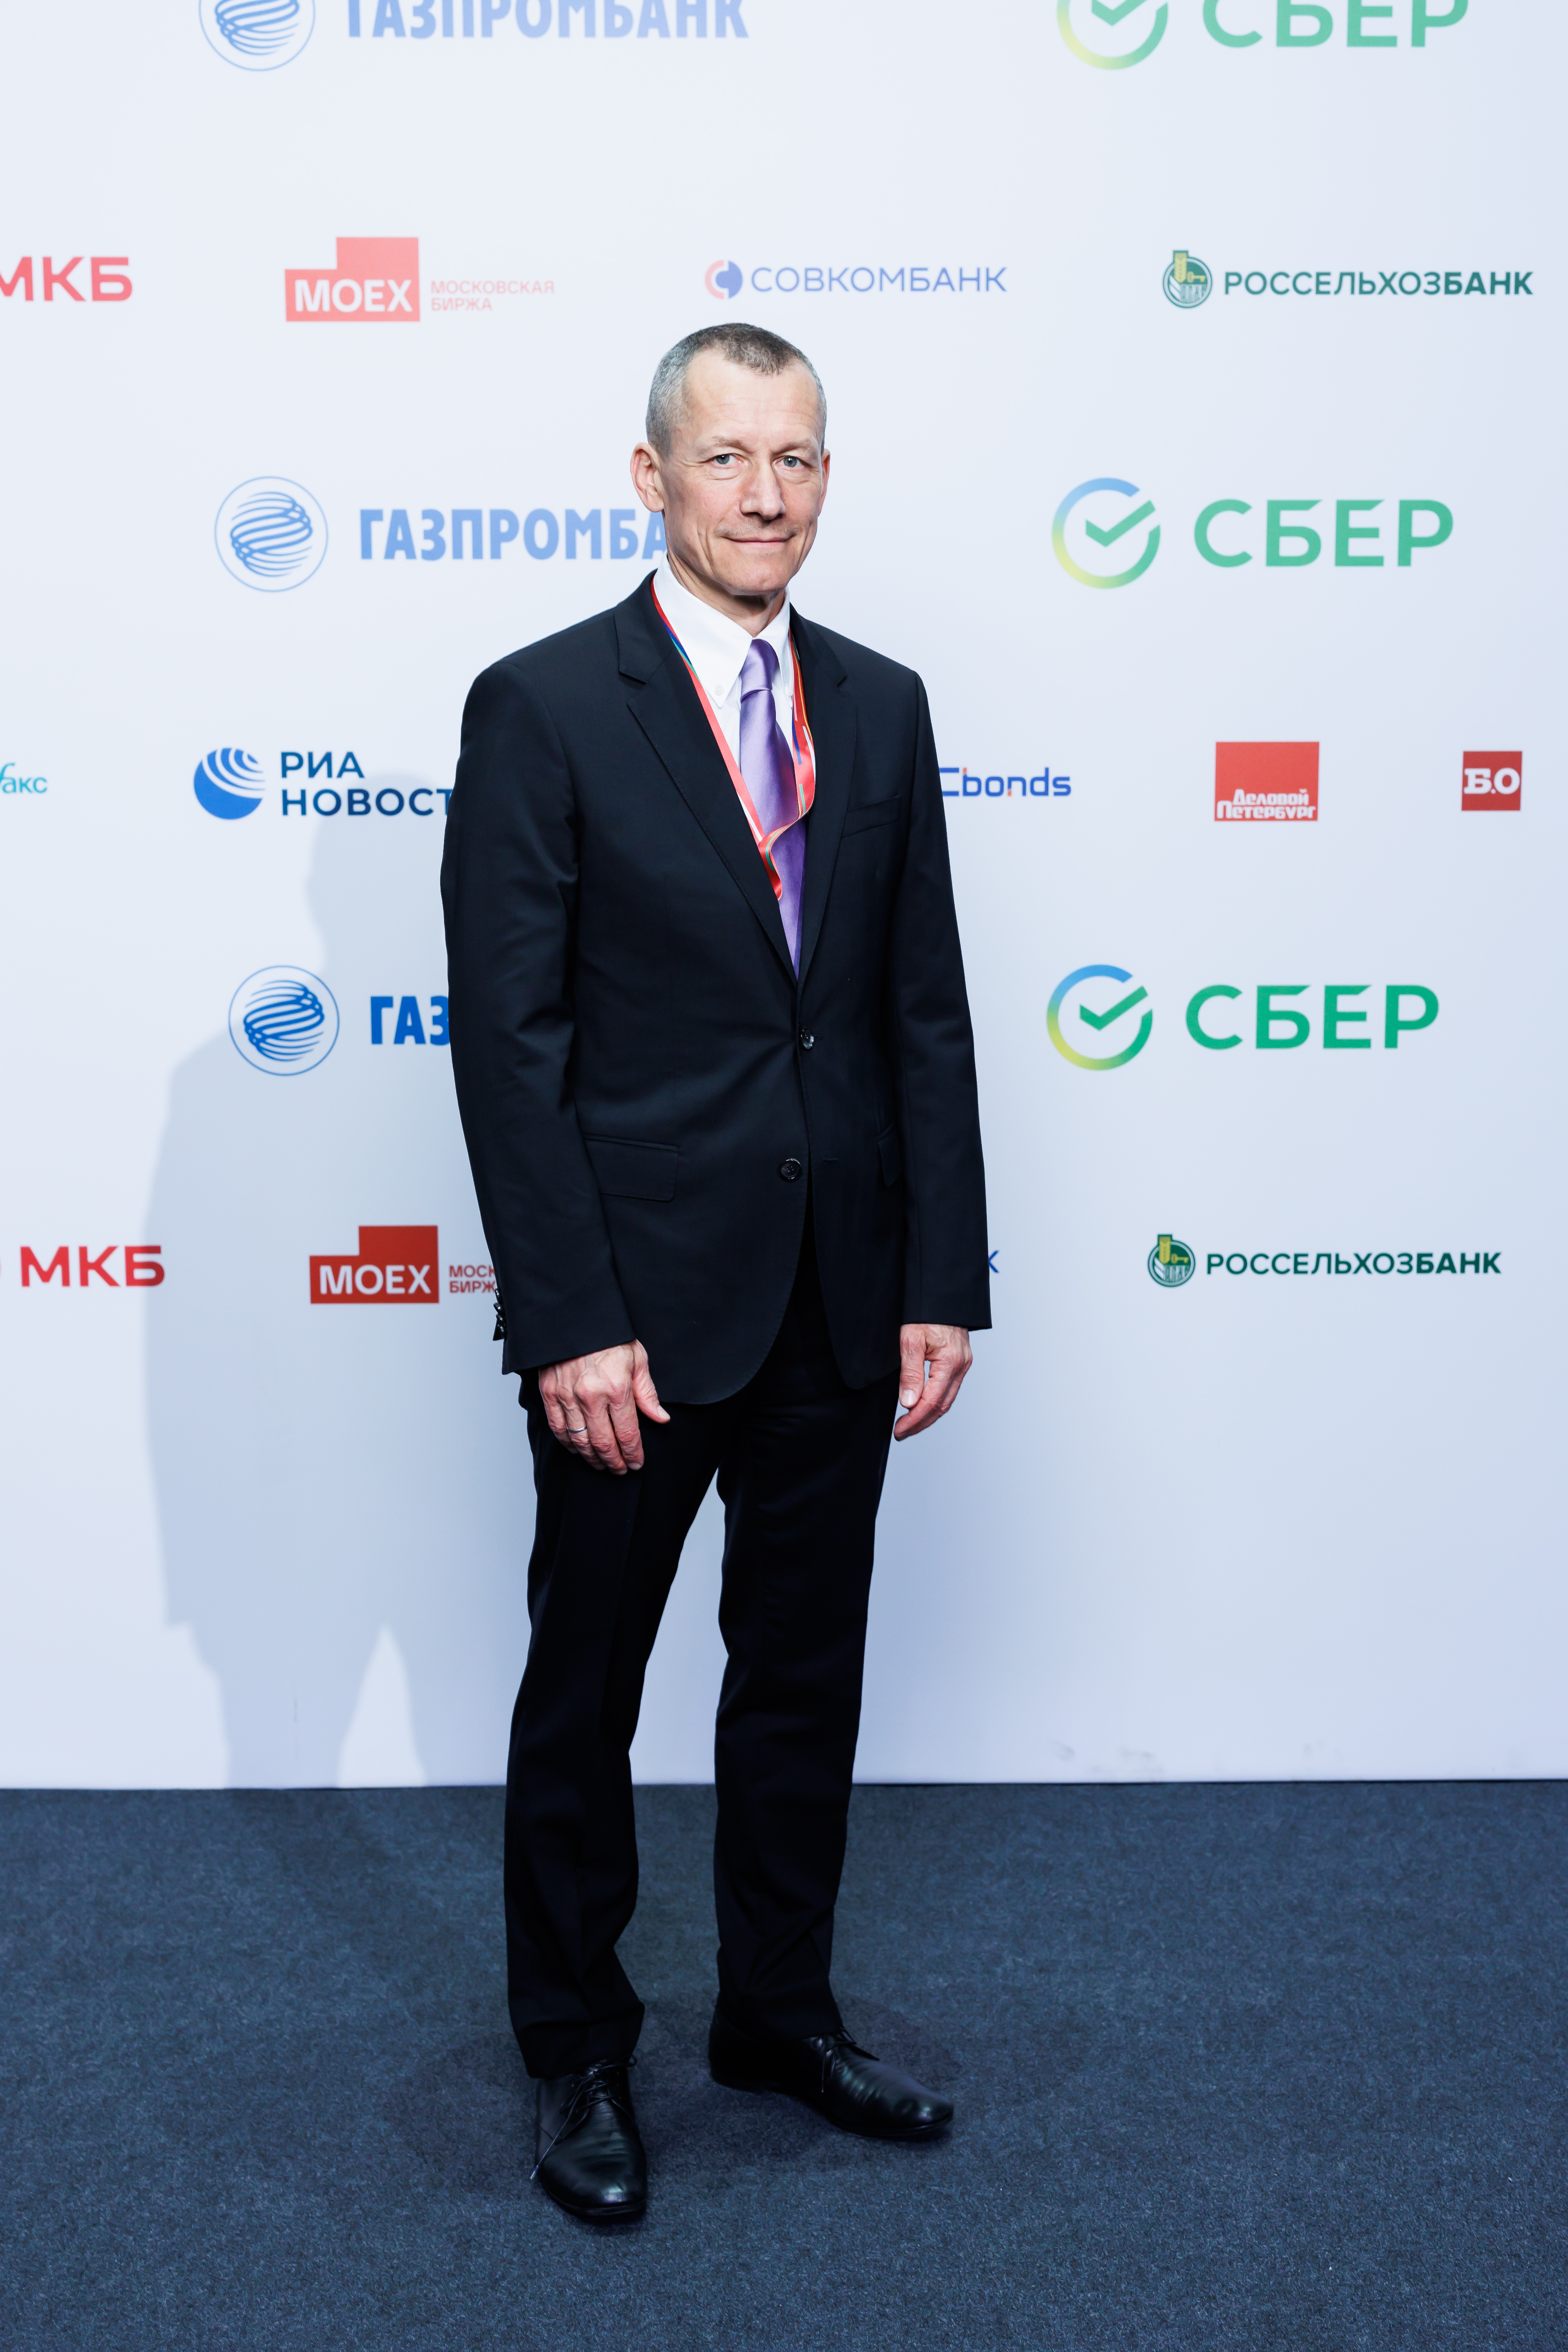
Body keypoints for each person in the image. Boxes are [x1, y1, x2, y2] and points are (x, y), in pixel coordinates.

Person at [441, 322, 989, 2224]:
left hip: (842, 1293)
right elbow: (510, 1044)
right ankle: (577, 2048)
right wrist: (570, 1317)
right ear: (651, 476)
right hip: (637, 1319)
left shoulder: (884, 704)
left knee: (802, 1682)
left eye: (799, 458)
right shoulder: (543, 705)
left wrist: (940, 1274)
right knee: (585, 1692)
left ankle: (776, 2014)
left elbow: (921, 1015)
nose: (768, 493)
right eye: (730, 456)